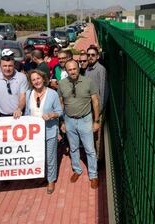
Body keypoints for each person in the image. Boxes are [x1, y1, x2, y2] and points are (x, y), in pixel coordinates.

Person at [58, 60, 100, 189]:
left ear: (78, 68)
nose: (73, 72)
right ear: (66, 71)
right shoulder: (62, 84)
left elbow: (95, 102)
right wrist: (62, 121)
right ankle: (77, 170)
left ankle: (93, 175)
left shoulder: (88, 82)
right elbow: (61, 103)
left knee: (90, 149)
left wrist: (96, 121)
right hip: (69, 120)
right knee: (74, 147)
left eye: (74, 69)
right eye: (69, 70)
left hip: (85, 119)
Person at [25, 70, 62, 194]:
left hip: (49, 131)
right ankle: (42, 176)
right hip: (34, 134)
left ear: (43, 78)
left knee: (50, 157)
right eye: (33, 79)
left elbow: (59, 111)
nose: (36, 81)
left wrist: (52, 115)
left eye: (38, 78)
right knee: (39, 156)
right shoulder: (28, 94)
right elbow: (26, 113)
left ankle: (51, 180)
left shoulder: (52, 94)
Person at [85, 45, 109, 162]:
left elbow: (104, 90)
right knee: (91, 134)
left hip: (97, 109)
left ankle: (99, 160)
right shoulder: (88, 70)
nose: (90, 57)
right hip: (88, 108)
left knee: (97, 136)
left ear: (97, 56)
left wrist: (99, 112)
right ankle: (92, 156)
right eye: (88, 55)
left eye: (93, 55)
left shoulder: (101, 70)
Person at [0, 55, 28, 119]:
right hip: (1, 116)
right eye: (4, 66)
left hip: (19, 115)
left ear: (14, 66)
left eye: (10, 66)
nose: (7, 69)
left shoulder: (22, 77)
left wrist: (19, 109)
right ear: (0, 67)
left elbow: (23, 96)